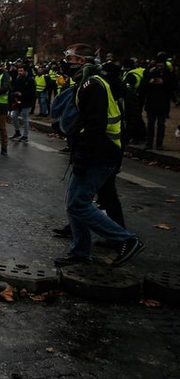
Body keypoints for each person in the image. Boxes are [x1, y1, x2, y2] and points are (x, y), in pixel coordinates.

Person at [53, 44, 144, 267]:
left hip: (99, 153)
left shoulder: (91, 85)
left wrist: (83, 156)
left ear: (82, 61)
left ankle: (126, 239)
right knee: (73, 203)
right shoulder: (87, 82)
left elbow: (95, 125)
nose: (65, 62)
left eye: (69, 58)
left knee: (78, 204)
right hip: (96, 151)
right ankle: (80, 252)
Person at [140, 53, 175, 150]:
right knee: (151, 124)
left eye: (161, 65)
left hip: (162, 103)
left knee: (161, 124)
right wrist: (150, 81)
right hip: (152, 102)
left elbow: (173, 87)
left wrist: (163, 82)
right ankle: (149, 142)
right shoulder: (150, 73)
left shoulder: (169, 74)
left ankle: (159, 143)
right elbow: (143, 87)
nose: (159, 67)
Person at [10, 64, 36, 143]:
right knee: (14, 116)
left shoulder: (30, 80)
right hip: (18, 102)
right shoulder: (18, 79)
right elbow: (14, 89)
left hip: (27, 102)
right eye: (19, 71)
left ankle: (25, 135)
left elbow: (32, 93)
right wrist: (15, 94)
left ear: (25, 71)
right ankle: (17, 132)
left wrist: (22, 94)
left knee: (25, 118)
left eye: (21, 71)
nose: (19, 73)